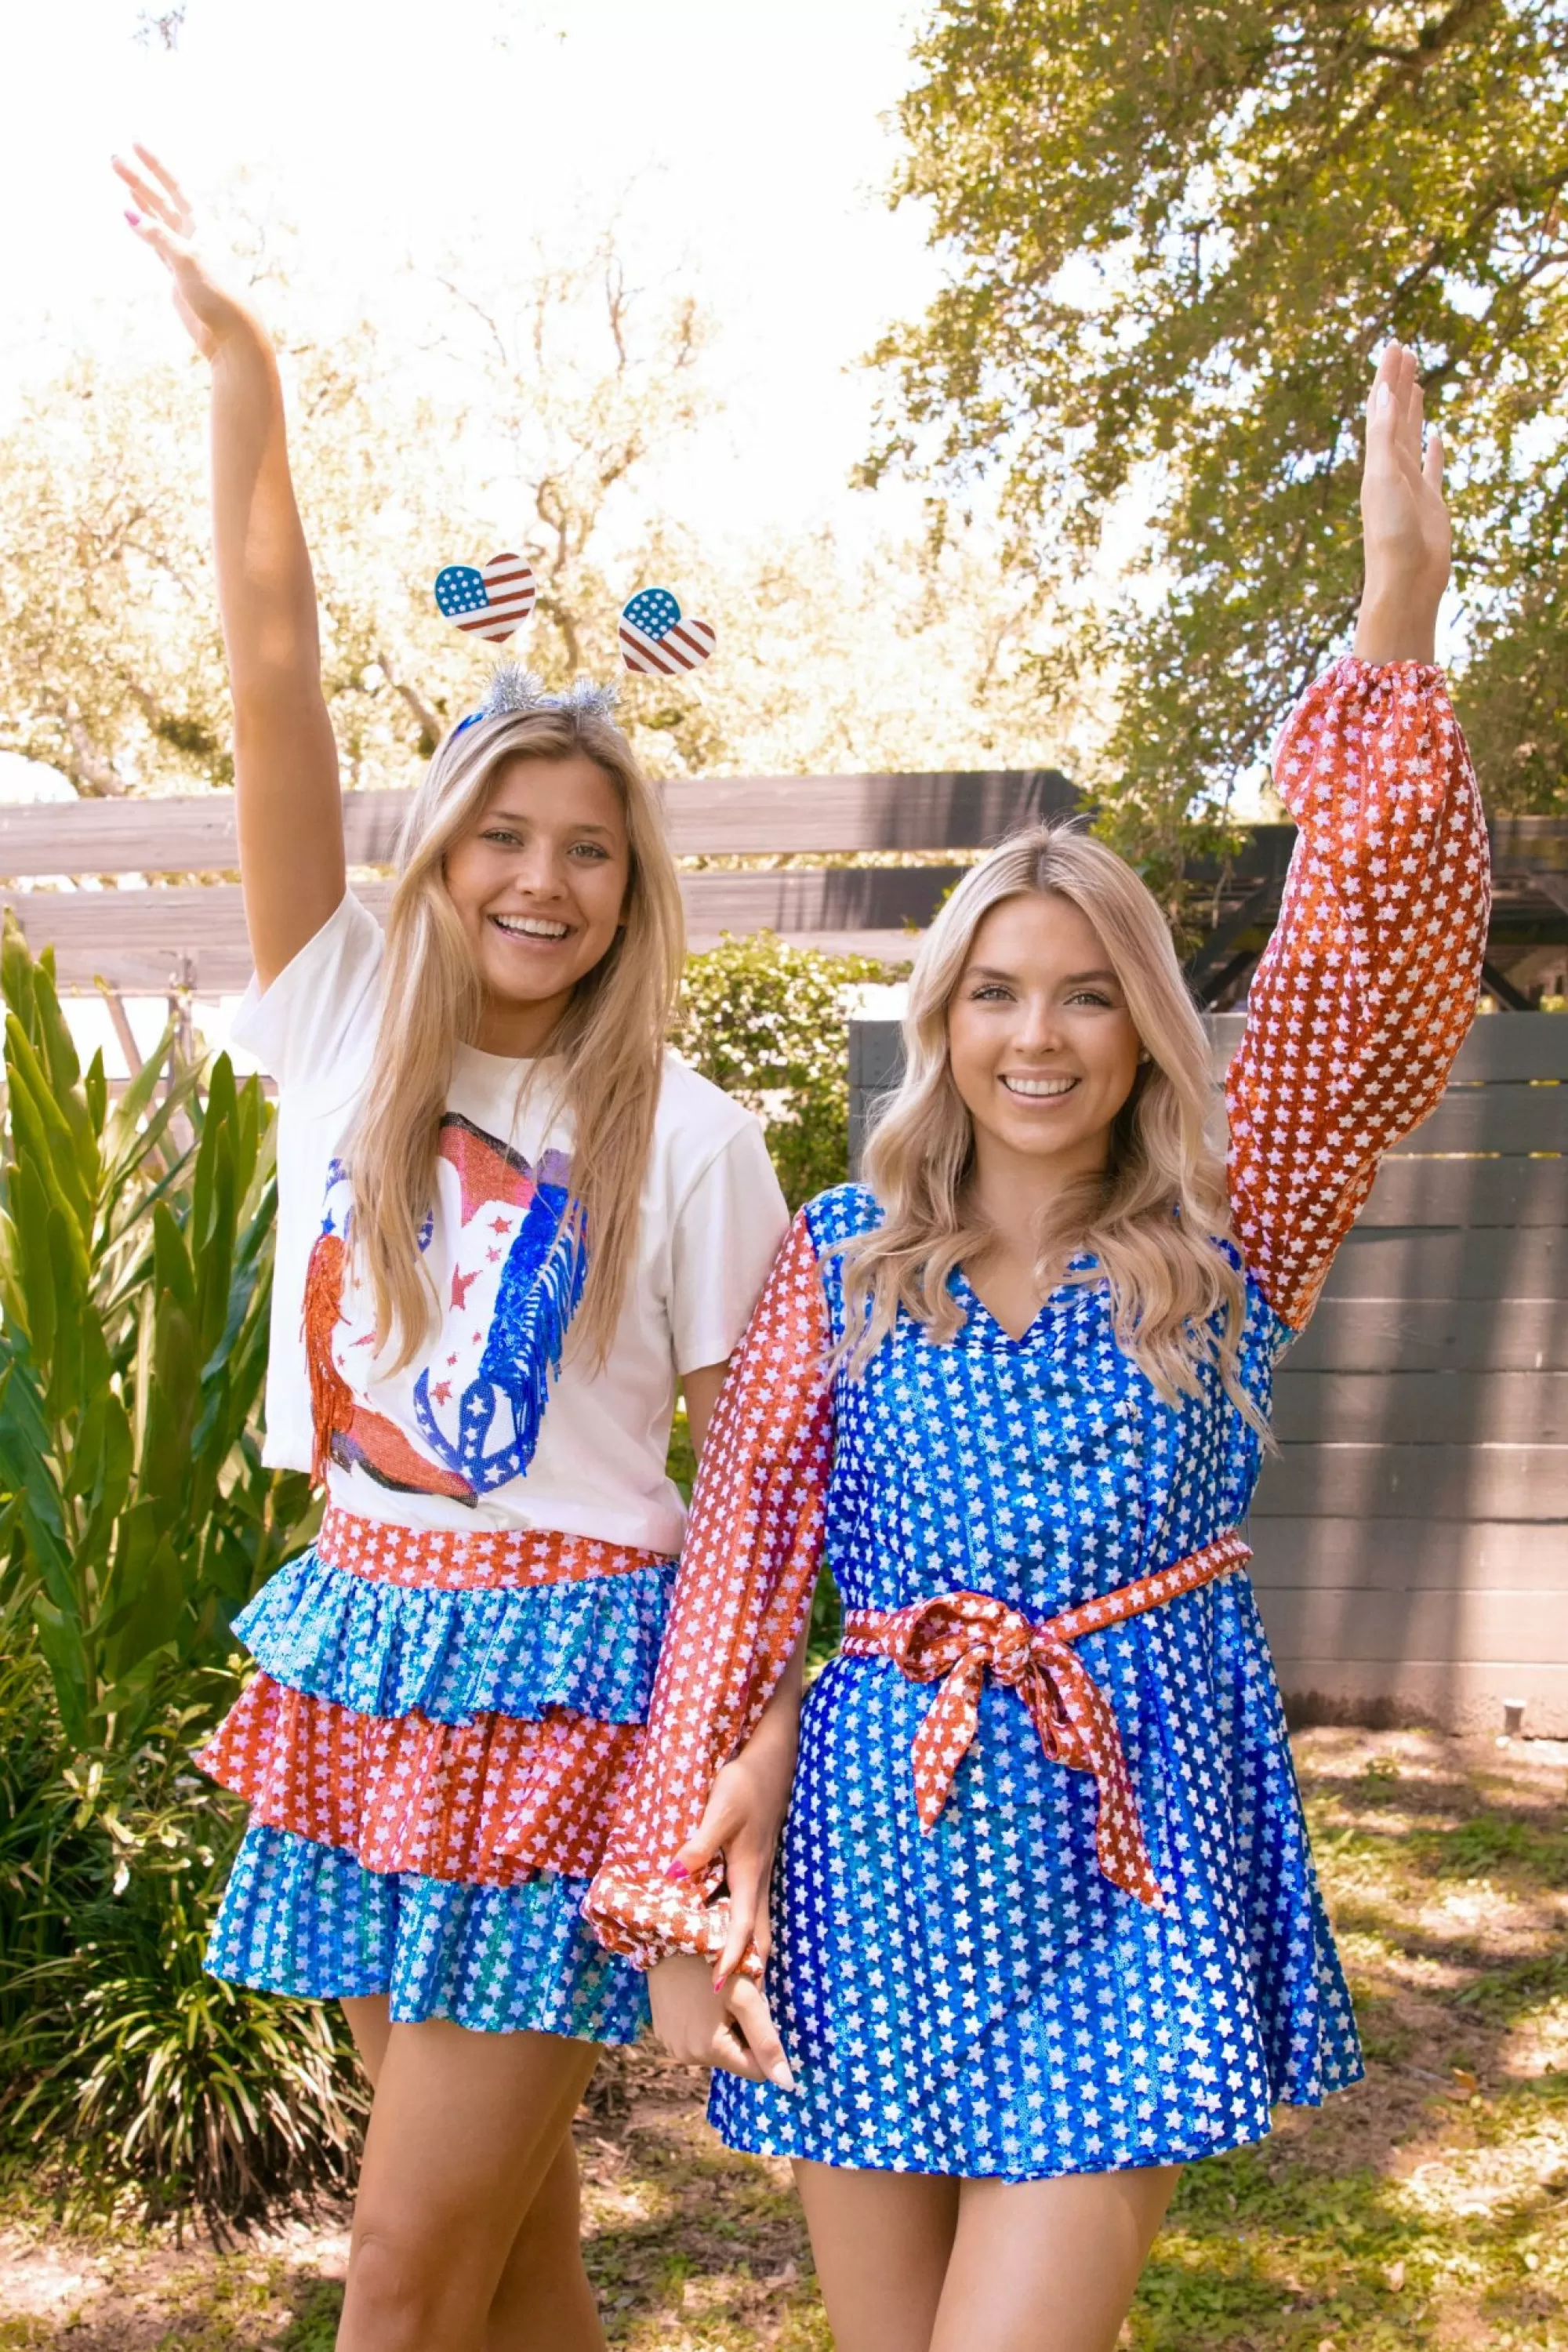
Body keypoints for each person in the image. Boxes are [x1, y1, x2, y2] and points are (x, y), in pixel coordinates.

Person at [585, 339, 1490, 2352]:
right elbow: (740, 1575)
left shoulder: (1235, 1220)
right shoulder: (838, 1254)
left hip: (1129, 1845)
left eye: (1088, 995)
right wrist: (665, 1903)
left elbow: (1370, 958)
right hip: (869, 1858)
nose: (1038, 1036)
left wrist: (1396, 612)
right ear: (942, 1019)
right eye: (994, 991)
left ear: (1143, 1025)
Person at [116, 147, 792, 2352]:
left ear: (630, 890)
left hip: (573, 1694)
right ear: (440, 861)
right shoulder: (334, 1025)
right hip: (371, 1658)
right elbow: (275, 667)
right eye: (504, 832)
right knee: (504, 2255)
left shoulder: (687, 1138)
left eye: (589, 850)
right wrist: (249, 374)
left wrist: (733, 1762)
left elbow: (770, 1476)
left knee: (400, 2270)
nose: (544, 877)